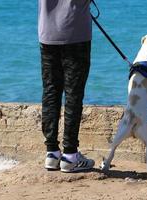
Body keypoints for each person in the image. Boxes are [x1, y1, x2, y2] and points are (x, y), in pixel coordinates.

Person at [38, 0, 95, 172]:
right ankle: (70, 155)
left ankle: (52, 152)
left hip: (47, 31)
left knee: (50, 91)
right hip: (75, 31)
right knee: (73, 94)